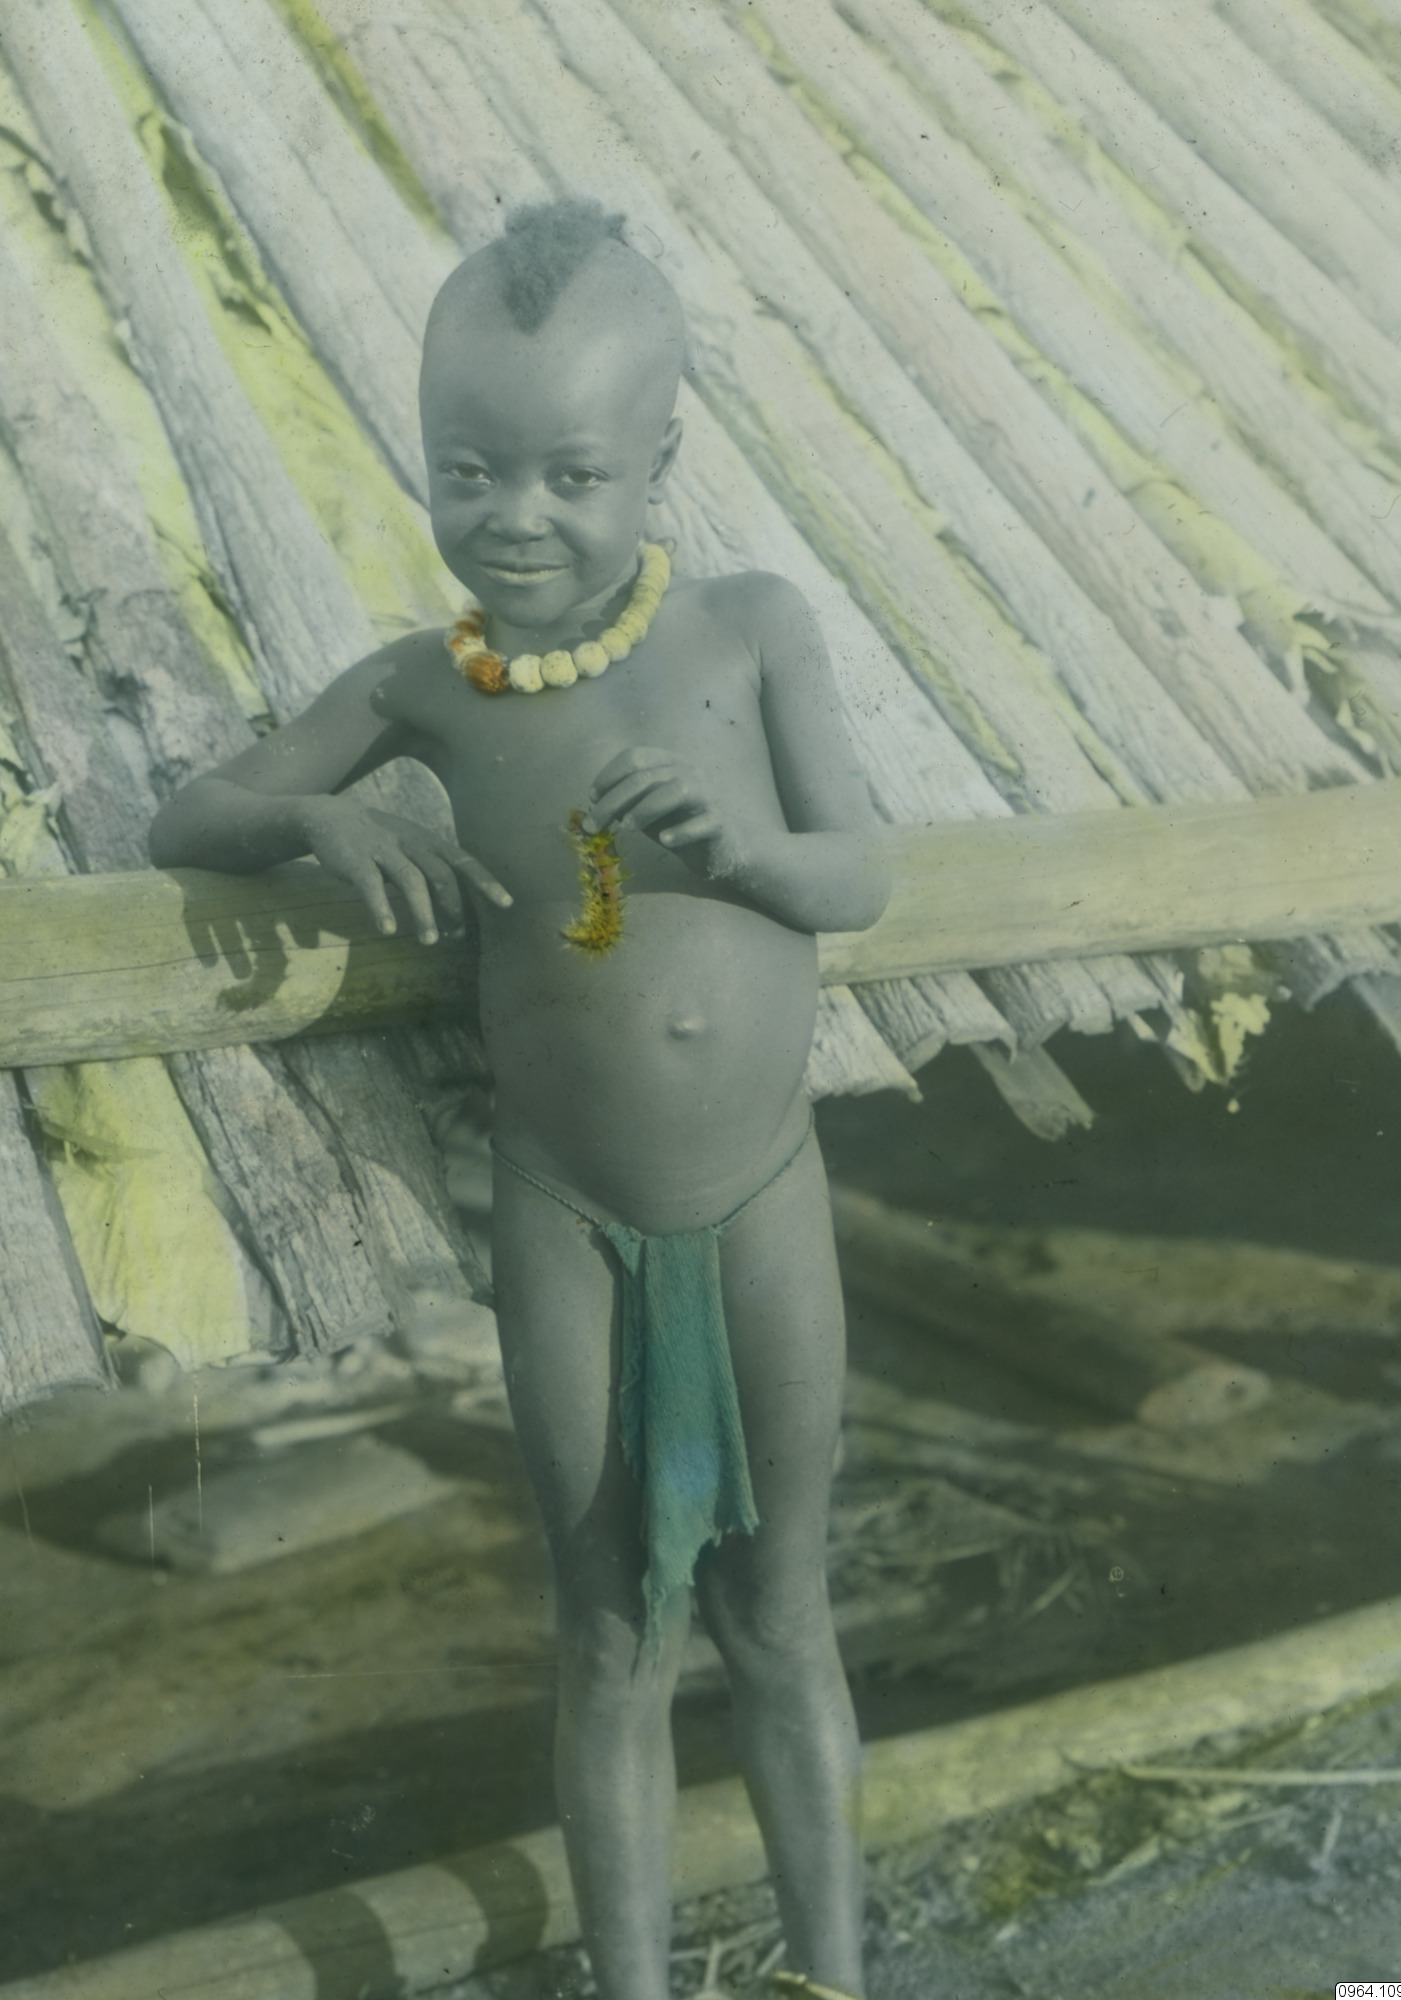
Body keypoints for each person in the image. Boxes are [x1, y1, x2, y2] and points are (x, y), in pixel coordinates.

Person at [150, 198, 889, 2000]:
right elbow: (191, 815)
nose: (516, 516)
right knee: (609, 1627)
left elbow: (860, 873)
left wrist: (743, 849)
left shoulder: (749, 627)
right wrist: (322, 818)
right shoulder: (430, 686)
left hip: (763, 1193)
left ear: (659, 462)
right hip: (566, 1211)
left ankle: (833, 1978)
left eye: (573, 474)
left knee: (779, 1612)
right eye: (469, 470)